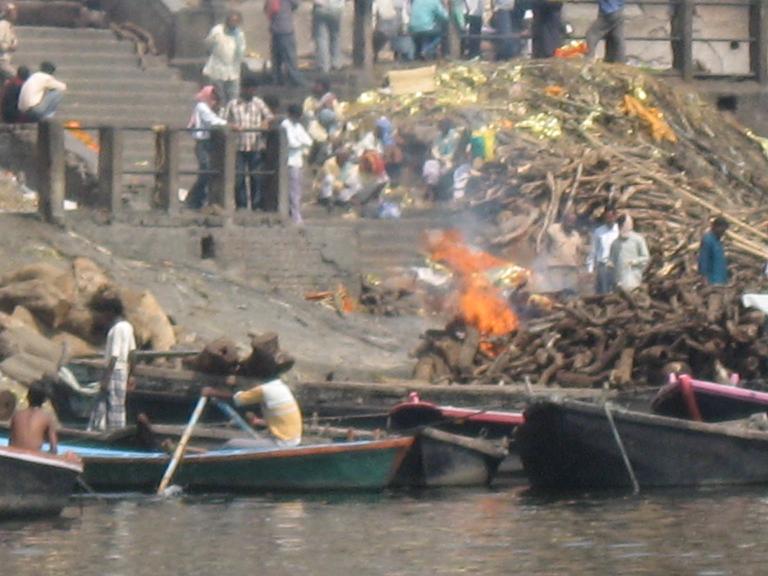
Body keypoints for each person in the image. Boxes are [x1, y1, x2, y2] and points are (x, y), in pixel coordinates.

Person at [203, 378, 302, 448]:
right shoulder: (282, 387)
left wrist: (212, 392)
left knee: (232, 443)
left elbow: (236, 399)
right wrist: (258, 421)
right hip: (294, 441)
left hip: (281, 444)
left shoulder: (264, 389)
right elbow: (280, 420)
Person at [224, 83, 274, 210]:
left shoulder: (258, 103)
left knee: (256, 176)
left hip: (255, 145)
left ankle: (256, 205)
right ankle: (241, 204)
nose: (251, 91)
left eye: (253, 89)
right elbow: (223, 120)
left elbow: (270, 117)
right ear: (243, 89)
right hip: (238, 146)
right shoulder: (233, 104)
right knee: (239, 177)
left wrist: (265, 123)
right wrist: (232, 126)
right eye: (249, 89)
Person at [94, 298, 136, 431]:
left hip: (114, 370)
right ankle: (115, 429)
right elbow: (133, 352)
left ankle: (113, 431)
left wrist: (106, 377)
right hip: (123, 370)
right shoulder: (128, 327)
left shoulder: (117, 329)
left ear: (111, 312)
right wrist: (131, 375)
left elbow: (114, 355)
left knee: (112, 403)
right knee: (118, 404)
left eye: (104, 313)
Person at [186, 85, 227, 210]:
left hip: (208, 143)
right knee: (205, 171)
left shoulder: (208, 108)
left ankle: (198, 199)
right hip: (202, 143)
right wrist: (228, 124)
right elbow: (212, 120)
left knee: (207, 172)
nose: (214, 100)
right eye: (212, 97)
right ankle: (193, 198)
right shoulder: (201, 107)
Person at [202, 10, 246, 104]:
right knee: (218, 96)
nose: (233, 23)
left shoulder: (240, 35)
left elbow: (241, 52)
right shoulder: (217, 31)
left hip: (233, 70)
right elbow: (208, 44)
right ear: (227, 20)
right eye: (232, 20)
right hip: (217, 68)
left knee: (233, 98)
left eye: (236, 21)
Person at [281, 103, 313, 224]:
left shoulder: (298, 126)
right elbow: (292, 143)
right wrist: (301, 144)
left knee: (297, 189)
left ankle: (295, 213)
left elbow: (308, 141)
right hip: (289, 161)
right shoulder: (285, 125)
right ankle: (295, 216)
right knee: (294, 190)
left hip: (298, 162)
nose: (297, 118)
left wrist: (300, 143)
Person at [267, 0, 306, 86]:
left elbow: (266, 8)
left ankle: (277, 79)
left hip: (275, 28)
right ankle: (296, 80)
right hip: (286, 28)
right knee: (290, 57)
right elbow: (296, 4)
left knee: (276, 57)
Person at [10, 385, 58, 454]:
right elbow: (54, 450)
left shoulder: (16, 415)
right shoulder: (47, 418)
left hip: (14, 456)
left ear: (27, 397)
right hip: (33, 458)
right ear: (44, 400)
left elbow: (10, 443)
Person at [543, 213, 584, 293]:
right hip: (556, 267)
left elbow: (579, 250)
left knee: (571, 292)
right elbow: (547, 244)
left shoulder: (575, 235)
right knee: (557, 292)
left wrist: (578, 265)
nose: (570, 224)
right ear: (564, 220)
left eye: (573, 222)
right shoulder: (554, 229)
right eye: (568, 221)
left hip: (571, 268)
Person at [608, 213, 650, 291]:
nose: (625, 228)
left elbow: (646, 257)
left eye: (627, 226)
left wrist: (634, 261)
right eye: (623, 227)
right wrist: (610, 264)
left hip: (634, 279)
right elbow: (612, 261)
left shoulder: (638, 240)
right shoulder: (615, 243)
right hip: (619, 282)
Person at [587, 205, 619, 294]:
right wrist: (590, 269)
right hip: (603, 267)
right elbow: (593, 251)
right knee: (603, 292)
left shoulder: (619, 231)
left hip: (617, 266)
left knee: (616, 292)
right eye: (606, 218)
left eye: (610, 217)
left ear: (615, 217)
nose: (608, 220)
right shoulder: (599, 231)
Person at [313, 0, 345, 73]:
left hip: (321, 6)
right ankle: (336, 63)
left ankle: (324, 65)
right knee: (336, 36)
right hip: (337, 7)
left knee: (321, 38)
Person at [699, 216, 730, 285]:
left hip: (721, 279)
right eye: (722, 230)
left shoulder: (718, 241)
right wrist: (704, 277)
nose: (723, 233)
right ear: (715, 227)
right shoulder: (708, 240)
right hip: (712, 280)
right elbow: (703, 260)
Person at [0, 2, 17, 81]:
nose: (15, 14)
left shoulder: (10, 26)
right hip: (2, 60)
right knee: (16, 76)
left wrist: (15, 44)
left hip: (8, 59)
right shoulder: (2, 25)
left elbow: (13, 40)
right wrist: (8, 47)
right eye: (13, 12)